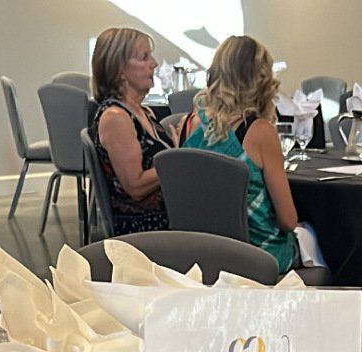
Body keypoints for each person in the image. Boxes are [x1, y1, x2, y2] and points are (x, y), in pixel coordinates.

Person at [177, 35, 301, 275]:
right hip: (255, 255)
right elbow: (288, 221)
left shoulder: (189, 125)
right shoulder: (260, 132)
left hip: (201, 254)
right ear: (260, 79)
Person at [91, 26, 174, 235]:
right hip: (146, 230)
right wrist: (179, 159)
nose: (154, 63)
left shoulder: (143, 112)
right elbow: (136, 186)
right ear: (119, 70)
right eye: (144, 57)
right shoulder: (116, 118)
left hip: (167, 219)